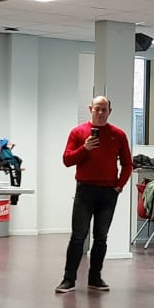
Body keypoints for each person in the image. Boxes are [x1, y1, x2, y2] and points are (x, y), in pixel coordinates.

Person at [59, 95, 133, 293]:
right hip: (85, 190)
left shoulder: (118, 135)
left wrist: (119, 186)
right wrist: (85, 148)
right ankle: (68, 280)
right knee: (78, 236)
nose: (100, 113)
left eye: (104, 109)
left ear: (109, 111)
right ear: (90, 109)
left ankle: (95, 278)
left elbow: (128, 164)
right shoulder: (78, 132)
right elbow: (67, 160)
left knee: (101, 237)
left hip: (108, 193)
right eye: (97, 109)